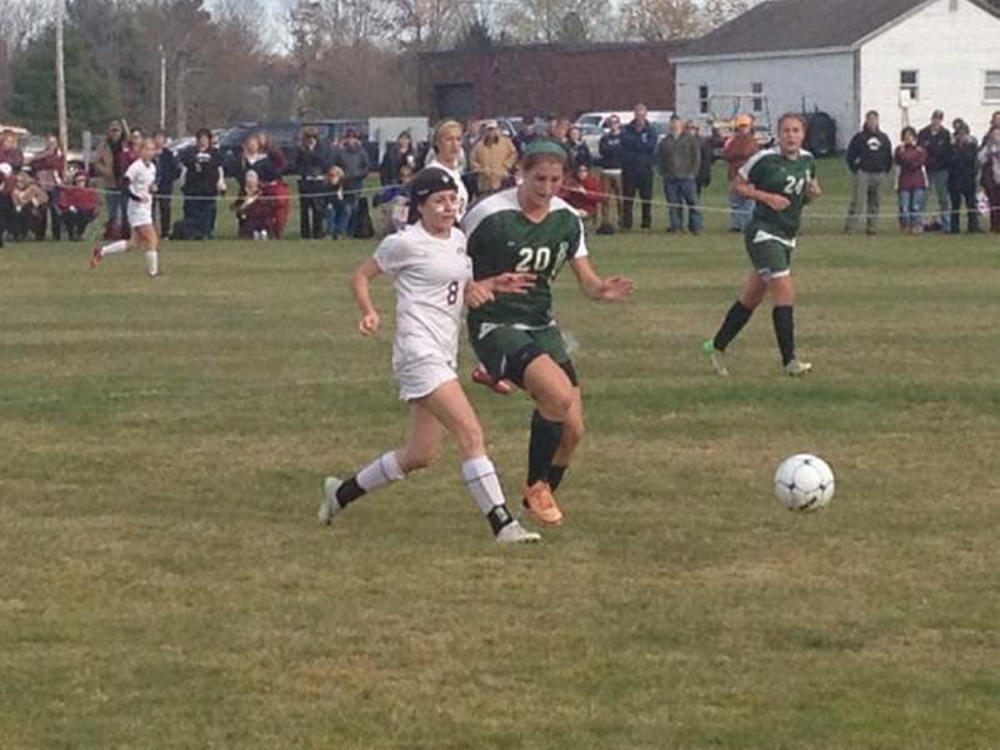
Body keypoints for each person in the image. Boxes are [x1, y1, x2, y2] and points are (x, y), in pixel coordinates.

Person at [320, 167, 541, 545]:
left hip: (443, 350)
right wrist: (368, 311)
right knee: (470, 432)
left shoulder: (457, 238)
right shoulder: (403, 243)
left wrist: (488, 285)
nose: (447, 207)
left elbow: (457, 286)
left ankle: (340, 494)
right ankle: (503, 523)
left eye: (452, 199)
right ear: (419, 206)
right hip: (418, 351)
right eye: (438, 201)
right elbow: (360, 276)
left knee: (420, 454)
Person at [462, 140, 635, 526]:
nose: (547, 187)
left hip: (542, 325)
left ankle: (534, 502)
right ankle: (536, 486)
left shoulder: (567, 219)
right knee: (556, 395)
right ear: (521, 173)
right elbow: (451, 261)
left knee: (573, 429)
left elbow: (587, 281)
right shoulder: (489, 215)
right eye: (539, 178)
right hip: (496, 324)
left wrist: (601, 289)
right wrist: (474, 286)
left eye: (556, 179)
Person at [702, 113, 821, 378]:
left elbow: (805, 193)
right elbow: (738, 185)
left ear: (803, 134)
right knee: (785, 292)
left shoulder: (808, 160)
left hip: (787, 236)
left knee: (751, 298)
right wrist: (766, 197)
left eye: (796, 130)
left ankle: (717, 346)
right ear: (778, 135)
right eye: (786, 131)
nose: (791, 135)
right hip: (763, 233)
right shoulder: (764, 159)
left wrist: (813, 194)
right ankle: (790, 362)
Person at [91, 137, 161, 277]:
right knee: (153, 238)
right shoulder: (136, 166)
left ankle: (101, 251)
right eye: (146, 149)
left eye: (152, 149)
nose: (149, 152)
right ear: (141, 151)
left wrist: (153, 188)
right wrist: (136, 197)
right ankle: (153, 272)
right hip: (137, 208)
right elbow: (124, 185)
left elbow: (148, 185)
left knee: (134, 243)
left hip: (146, 207)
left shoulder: (152, 167)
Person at [844, 111, 892, 234]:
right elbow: (850, 155)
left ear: (878, 121)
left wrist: (885, 169)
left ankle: (872, 227)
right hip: (863, 173)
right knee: (858, 201)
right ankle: (851, 227)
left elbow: (888, 156)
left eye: (874, 119)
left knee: (875, 202)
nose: (872, 122)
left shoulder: (884, 138)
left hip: (879, 173)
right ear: (866, 120)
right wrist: (856, 169)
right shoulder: (859, 137)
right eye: (870, 119)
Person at [658, 115, 702, 234]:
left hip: (687, 177)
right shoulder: (664, 141)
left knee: (693, 202)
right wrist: (663, 173)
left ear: (681, 124)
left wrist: (693, 172)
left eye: (677, 122)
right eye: (672, 123)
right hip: (670, 178)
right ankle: (676, 227)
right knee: (674, 204)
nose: (674, 125)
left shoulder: (690, 139)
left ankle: (695, 226)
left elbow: (696, 157)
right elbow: (660, 158)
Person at [180, 129, 225, 239]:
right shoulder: (190, 152)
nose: (203, 141)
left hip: (209, 188)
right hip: (193, 188)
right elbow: (184, 167)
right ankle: (192, 232)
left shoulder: (215, 153)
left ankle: (207, 232)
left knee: (208, 211)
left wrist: (221, 182)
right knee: (191, 211)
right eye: (201, 138)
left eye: (205, 138)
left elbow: (219, 168)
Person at [621, 103, 658, 232]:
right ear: (634, 114)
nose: (640, 117)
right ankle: (626, 224)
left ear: (646, 114)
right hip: (629, 170)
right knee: (627, 198)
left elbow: (650, 146)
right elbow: (625, 144)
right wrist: (640, 144)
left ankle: (646, 224)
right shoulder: (626, 129)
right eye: (638, 114)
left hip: (645, 170)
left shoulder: (651, 130)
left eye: (642, 114)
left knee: (646, 198)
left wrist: (636, 144)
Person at [425, 120, 470, 220]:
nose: (454, 145)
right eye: (449, 139)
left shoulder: (455, 173)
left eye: (458, 139)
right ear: (437, 142)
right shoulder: (433, 174)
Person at [332, 129, 371, 239]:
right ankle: (340, 231)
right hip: (343, 184)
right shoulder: (340, 153)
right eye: (348, 137)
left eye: (353, 137)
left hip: (356, 184)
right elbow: (334, 166)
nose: (350, 139)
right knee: (345, 208)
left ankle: (350, 232)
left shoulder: (362, 152)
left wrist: (358, 174)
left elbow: (366, 167)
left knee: (354, 209)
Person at [917, 110, 952, 231]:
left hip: (941, 171)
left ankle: (946, 224)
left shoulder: (945, 134)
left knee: (943, 198)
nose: (936, 121)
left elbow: (948, 153)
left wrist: (941, 164)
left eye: (939, 119)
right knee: (922, 198)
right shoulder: (923, 133)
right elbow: (920, 150)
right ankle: (920, 224)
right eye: (934, 118)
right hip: (926, 170)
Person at [94, 121, 128, 238]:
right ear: (108, 131)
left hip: (124, 181)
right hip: (110, 181)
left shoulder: (126, 144)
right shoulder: (103, 145)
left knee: (123, 209)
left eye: (117, 130)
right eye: (112, 130)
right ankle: (111, 232)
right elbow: (97, 162)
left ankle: (123, 232)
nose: (115, 133)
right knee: (111, 210)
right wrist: (105, 171)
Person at [295, 127, 332, 239]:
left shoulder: (323, 148)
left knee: (318, 209)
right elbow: (296, 164)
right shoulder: (300, 149)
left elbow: (325, 163)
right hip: (305, 181)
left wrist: (312, 151)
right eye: (308, 137)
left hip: (318, 181)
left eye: (313, 137)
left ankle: (318, 233)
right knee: (304, 210)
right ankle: (305, 234)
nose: (311, 139)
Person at [947, 119, 980, 234]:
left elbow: (970, 159)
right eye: (958, 132)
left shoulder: (971, 145)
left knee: (971, 203)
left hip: (968, 178)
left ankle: (973, 227)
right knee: (955, 204)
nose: (960, 135)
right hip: (954, 178)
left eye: (962, 132)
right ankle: (954, 228)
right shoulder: (951, 145)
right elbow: (949, 160)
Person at [31, 133, 66, 241]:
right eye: (49, 142)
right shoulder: (41, 154)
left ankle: (57, 236)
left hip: (55, 185)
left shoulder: (60, 155)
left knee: (55, 210)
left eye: (53, 143)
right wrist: (45, 159)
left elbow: (56, 165)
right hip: (42, 184)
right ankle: (40, 235)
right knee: (42, 209)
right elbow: (34, 164)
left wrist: (46, 161)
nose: (51, 145)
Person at [894, 126, 928, 235]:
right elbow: (900, 159)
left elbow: (920, 162)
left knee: (916, 206)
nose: (908, 138)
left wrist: (908, 160)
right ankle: (905, 226)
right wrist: (910, 159)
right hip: (904, 182)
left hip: (918, 182)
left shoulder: (920, 149)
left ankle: (916, 226)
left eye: (910, 135)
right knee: (904, 207)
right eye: (906, 136)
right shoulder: (899, 149)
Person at [470, 120, 518, 196]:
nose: (491, 132)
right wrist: (481, 169)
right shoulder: (478, 146)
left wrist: (506, 165)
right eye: (489, 130)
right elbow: (473, 161)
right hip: (485, 184)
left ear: (497, 130)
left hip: (502, 180)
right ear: (485, 131)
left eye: (493, 129)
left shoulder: (506, 142)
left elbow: (514, 154)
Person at [597, 115, 625, 231]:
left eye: (615, 122)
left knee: (621, 199)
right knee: (605, 199)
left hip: (619, 171)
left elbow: (623, 151)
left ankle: (622, 222)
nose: (613, 125)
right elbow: (603, 151)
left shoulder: (624, 137)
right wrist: (614, 149)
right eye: (611, 123)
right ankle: (605, 222)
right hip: (606, 171)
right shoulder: (605, 137)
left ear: (619, 123)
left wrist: (613, 150)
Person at [58, 171, 99, 241]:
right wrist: (69, 206)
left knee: (83, 215)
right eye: (78, 181)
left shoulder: (90, 191)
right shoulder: (71, 190)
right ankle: (72, 234)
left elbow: (94, 204)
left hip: (87, 212)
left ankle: (79, 233)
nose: (80, 182)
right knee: (69, 214)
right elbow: (64, 202)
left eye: (83, 180)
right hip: (73, 212)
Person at [152, 130, 180, 235]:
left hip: (165, 186)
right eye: (157, 137)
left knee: (165, 208)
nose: (159, 140)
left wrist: (169, 179)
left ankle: (165, 231)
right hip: (150, 186)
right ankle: (150, 230)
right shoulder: (149, 153)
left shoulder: (169, 154)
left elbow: (176, 170)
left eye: (161, 137)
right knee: (150, 210)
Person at [0, 130, 24, 246]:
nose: (11, 144)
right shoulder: (2, 153)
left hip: (8, 188)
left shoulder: (13, 153)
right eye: (9, 141)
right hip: (2, 188)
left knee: (8, 213)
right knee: (5, 214)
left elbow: (17, 164)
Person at [10, 171, 48, 240]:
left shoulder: (34, 188)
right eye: (19, 181)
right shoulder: (14, 190)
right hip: (18, 210)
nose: (20, 183)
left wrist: (35, 201)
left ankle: (28, 234)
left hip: (33, 209)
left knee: (30, 214)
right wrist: (18, 205)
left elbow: (45, 198)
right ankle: (18, 234)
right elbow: (15, 200)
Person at [233, 170, 271, 239]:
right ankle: (250, 232)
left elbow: (267, 201)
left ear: (257, 179)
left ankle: (261, 231)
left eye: (253, 178)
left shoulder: (262, 189)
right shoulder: (243, 190)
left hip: (260, 212)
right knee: (243, 214)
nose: (251, 180)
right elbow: (238, 202)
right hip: (246, 212)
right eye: (249, 178)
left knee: (260, 211)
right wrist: (239, 206)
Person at [979, 126, 1000, 233]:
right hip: (992, 179)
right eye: (994, 134)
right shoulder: (988, 147)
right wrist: (989, 152)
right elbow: (980, 159)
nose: (997, 136)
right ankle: (995, 226)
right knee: (994, 203)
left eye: (998, 134)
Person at [322, 166, 350, 239]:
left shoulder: (344, 185)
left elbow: (347, 197)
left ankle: (340, 232)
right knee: (331, 211)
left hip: (341, 204)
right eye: (331, 175)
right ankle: (330, 233)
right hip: (330, 204)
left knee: (347, 210)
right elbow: (327, 199)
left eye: (334, 175)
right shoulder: (326, 185)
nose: (332, 177)